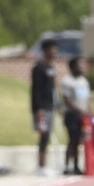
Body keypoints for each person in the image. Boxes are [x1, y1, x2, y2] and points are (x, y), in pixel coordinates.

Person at [31, 38, 59, 175]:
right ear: (46, 51)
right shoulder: (38, 68)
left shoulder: (52, 68)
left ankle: (44, 165)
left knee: (48, 135)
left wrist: (57, 105)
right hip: (42, 108)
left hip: (51, 106)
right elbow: (36, 90)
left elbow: (53, 89)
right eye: (52, 49)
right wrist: (39, 109)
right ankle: (41, 166)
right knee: (44, 135)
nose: (55, 52)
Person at [61, 57, 93, 175]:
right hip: (72, 115)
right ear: (73, 67)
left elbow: (87, 98)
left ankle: (76, 166)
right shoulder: (67, 81)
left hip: (83, 117)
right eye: (79, 65)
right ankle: (67, 165)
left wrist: (90, 111)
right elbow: (67, 99)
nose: (82, 68)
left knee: (79, 141)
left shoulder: (84, 81)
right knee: (72, 140)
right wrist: (80, 111)